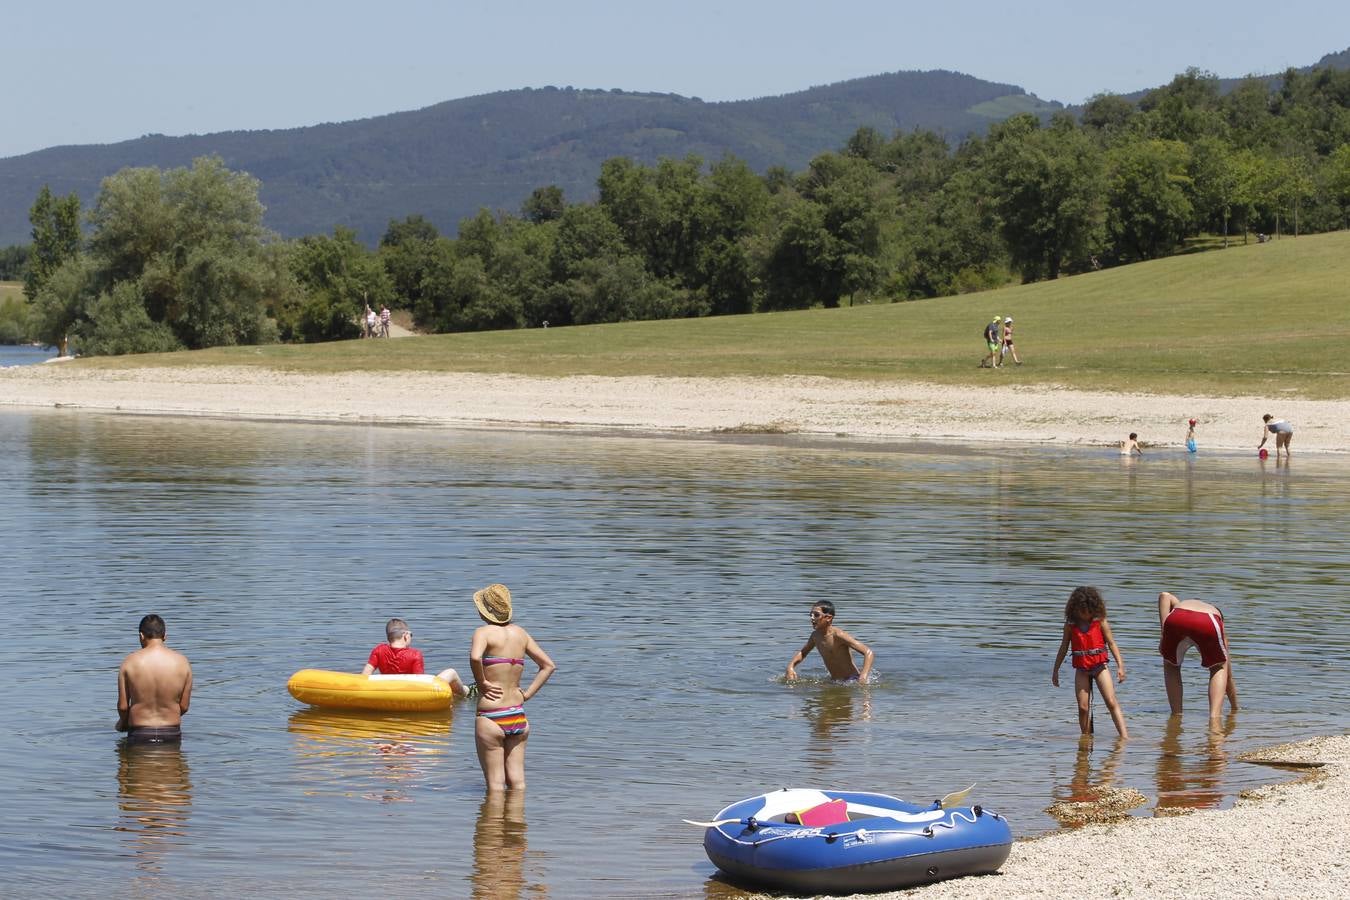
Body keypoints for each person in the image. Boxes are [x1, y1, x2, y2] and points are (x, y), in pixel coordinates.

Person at [469, 584, 557, 791]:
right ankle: (516, 822)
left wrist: (481, 682)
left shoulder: (483, 632)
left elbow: (474, 657)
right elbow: (548, 666)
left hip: (491, 715)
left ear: (485, 611)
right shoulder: (521, 633)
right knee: (518, 783)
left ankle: (492, 822)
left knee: (495, 786)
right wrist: (527, 694)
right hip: (517, 714)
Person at [1051, 587, 1128, 738]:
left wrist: (1120, 666)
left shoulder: (1100, 622)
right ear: (1075, 609)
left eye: (1088, 610)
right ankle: (1085, 739)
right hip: (1081, 669)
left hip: (1100, 667)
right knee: (1083, 707)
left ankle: (1125, 737)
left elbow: (1111, 643)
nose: (1085, 614)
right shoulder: (1070, 625)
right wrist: (1055, 670)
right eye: (1082, 610)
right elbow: (1064, 646)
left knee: (1111, 702)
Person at [1157, 591, 1237, 721]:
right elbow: (1228, 677)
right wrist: (1235, 708)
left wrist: (1163, 634)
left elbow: (1164, 596)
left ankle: (1176, 716)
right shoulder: (1217, 618)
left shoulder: (1180, 604)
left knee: (1171, 665)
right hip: (1207, 622)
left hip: (1177, 619)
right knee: (1218, 668)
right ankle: (1214, 718)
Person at [116, 614, 193, 744]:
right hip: (172, 734)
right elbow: (184, 706)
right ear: (165, 636)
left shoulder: (129, 662)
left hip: (139, 734)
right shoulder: (182, 663)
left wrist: (123, 723)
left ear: (141, 636)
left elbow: (123, 707)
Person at [363, 617, 470, 698]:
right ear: (405, 635)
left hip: (387, 690)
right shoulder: (415, 654)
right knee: (451, 672)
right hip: (410, 692)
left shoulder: (379, 650)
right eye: (411, 634)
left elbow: (365, 676)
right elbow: (420, 684)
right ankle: (465, 692)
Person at [785, 600, 875, 683]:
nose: (812, 618)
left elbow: (868, 652)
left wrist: (863, 676)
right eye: (811, 615)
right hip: (835, 682)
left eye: (816, 615)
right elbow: (802, 653)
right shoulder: (815, 636)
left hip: (852, 680)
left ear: (828, 618)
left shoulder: (838, 635)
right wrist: (790, 666)